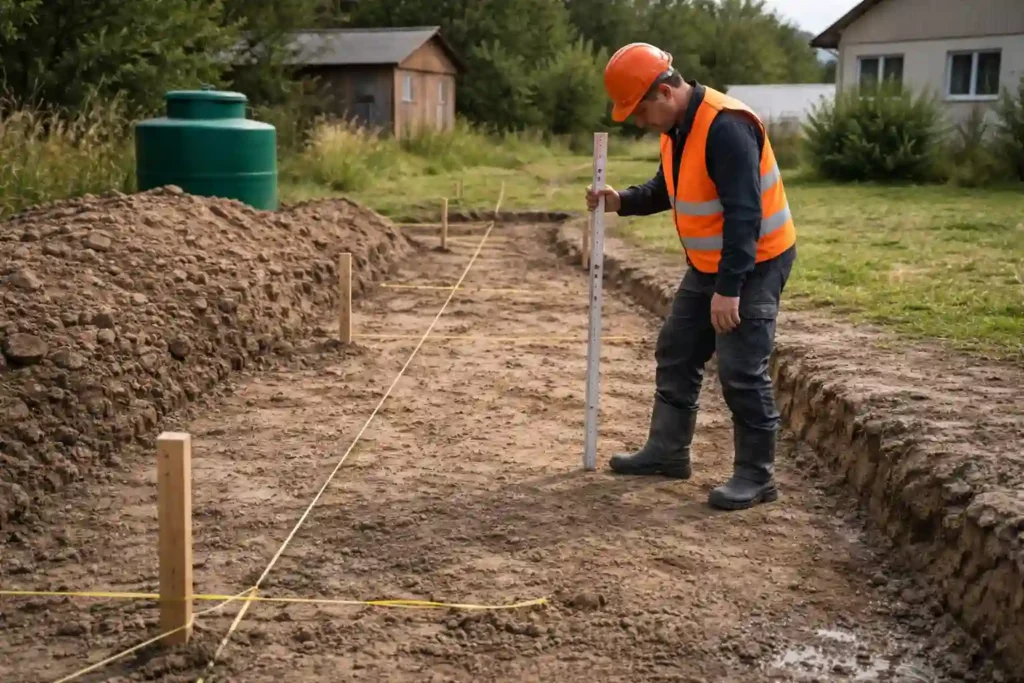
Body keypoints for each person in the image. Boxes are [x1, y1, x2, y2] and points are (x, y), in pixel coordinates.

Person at [586, 42, 797, 511]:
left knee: (742, 369)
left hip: (755, 262)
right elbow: (669, 186)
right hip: (710, 264)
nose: (639, 122)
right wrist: (623, 200)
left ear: (664, 91)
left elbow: (746, 216)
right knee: (677, 349)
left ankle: (756, 477)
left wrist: (728, 290)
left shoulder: (726, 127)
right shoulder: (677, 127)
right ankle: (668, 452)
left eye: (640, 111)